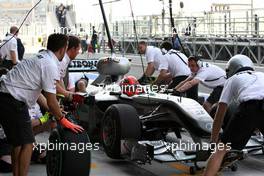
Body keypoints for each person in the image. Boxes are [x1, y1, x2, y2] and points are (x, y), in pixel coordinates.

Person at [0, 33, 83, 176]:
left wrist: (56, 112)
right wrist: (62, 119)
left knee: (18, 143)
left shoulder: (41, 58)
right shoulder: (50, 64)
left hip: (6, 96)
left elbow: (40, 95)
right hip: (12, 100)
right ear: (63, 49)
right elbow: (51, 100)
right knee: (27, 143)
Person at [203, 54, 264, 176]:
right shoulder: (261, 75)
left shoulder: (232, 80)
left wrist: (214, 141)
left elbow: (220, 114)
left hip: (249, 107)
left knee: (220, 150)